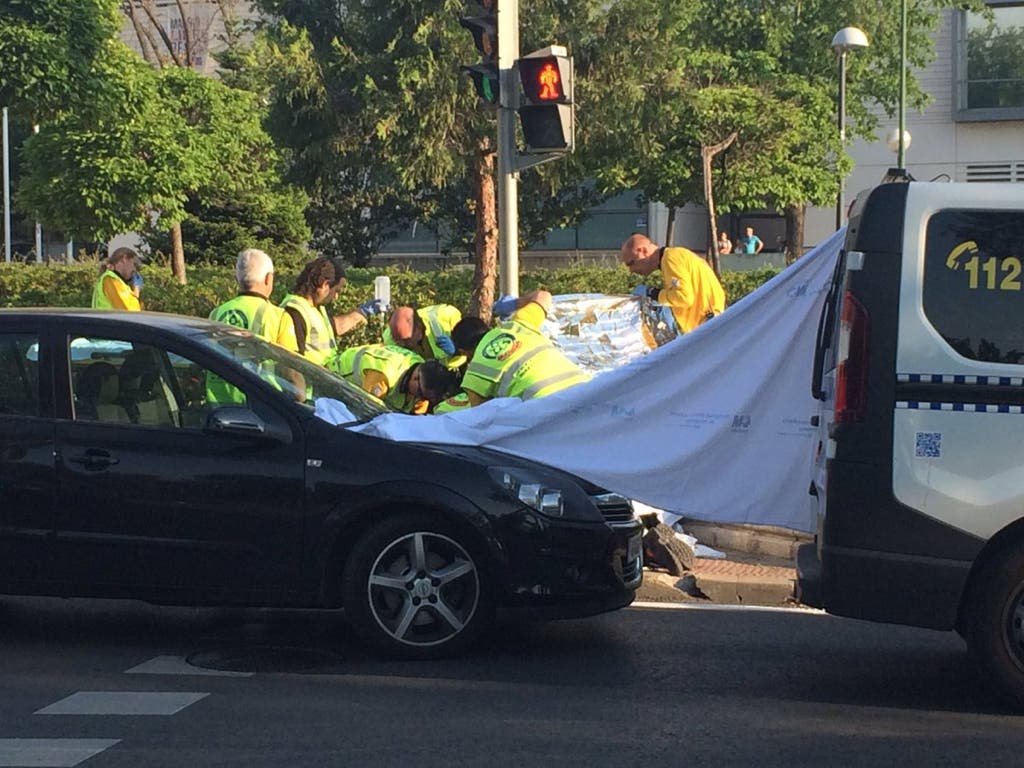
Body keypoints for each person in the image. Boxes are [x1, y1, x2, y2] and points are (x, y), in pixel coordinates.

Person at [434, 290, 590, 413]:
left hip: (546, 409)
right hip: (583, 389)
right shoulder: (517, 325)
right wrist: (515, 304)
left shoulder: (474, 375)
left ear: (464, 352)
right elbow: (543, 295)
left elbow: (482, 421)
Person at [280, 257, 385, 366]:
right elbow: (292, 363)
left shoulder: (315, 308)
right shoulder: (295, 311)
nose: (336, 296)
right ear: (325, 284)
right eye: (336, 291)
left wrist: (361, 313)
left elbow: (333, 327)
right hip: (311, 380)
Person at [620, 233, 726, 334]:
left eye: (631, 263)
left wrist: (653, 293)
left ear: (642, 251)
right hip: (711, 323)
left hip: (709, 325)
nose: (631, 270)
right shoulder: (676, 256)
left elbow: (683, 297)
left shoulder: (671, 258)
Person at [209, 248, 298, 352]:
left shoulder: (215, 314)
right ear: (268, 278)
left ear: (237, 278)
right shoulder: (280, 318)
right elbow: (290, 363)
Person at [327, 344, 457, 414]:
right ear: (416, 378)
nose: (420, 399)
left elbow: (417, 417)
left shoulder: (423, 373)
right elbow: (366, 411)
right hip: (332, 380)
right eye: (420, 394)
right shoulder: (382, 377)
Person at [384, 304, 463, 363]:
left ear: (419, 328)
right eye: (399, 341)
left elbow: (471, 350)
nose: (403, 345)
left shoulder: (447, 316)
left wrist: (457, 350)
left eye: (407, 340)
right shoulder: (390, 337)